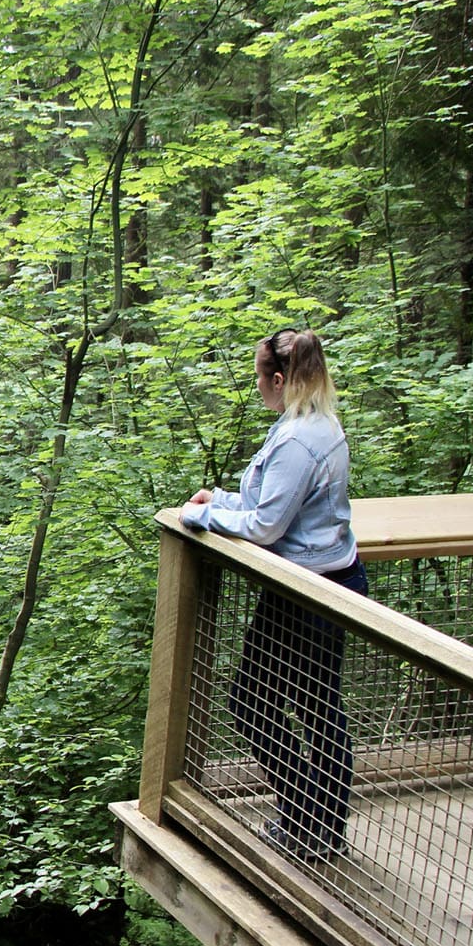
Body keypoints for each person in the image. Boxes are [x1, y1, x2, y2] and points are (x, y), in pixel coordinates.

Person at [180, 327, 366, 861]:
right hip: (330, 577)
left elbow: (264, 527)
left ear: (280, 379)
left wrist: (201, 514)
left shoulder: (296, 439)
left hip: (308, 591)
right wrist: (222, 496)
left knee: (253, 702)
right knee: (318, 705)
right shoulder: (315, 422)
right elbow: (280, 503)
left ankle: (306, 820)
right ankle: (321, 829)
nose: (257, 386)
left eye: (260, 377)